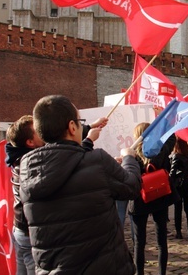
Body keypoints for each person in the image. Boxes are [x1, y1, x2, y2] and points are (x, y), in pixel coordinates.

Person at [19, 95, 141, 274]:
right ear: (71, 126)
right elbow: (132, 186)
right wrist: (129, 157)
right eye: (79, 121)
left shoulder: (28, 168)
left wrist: (89, 135)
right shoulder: (97, 161)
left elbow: (65, 159)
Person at [129, 122, 177, 275]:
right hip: (159, 196)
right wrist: (162, 122)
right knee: (161, 241)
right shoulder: (161, 149)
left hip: (139, 199)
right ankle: (162, 272)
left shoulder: (131, 154)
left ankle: (140, 273)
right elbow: (172, 137)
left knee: (139, 242)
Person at [5, 115, 45, 275]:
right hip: (29, 234)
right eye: (38, 130)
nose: (43, 131)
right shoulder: (30, 163)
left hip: (21, 230)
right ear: (30, 142)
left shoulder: (18, 158)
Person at [169, 136, 188, 239]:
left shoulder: (177, 155)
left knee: (178, 209)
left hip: (179, 184)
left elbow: (172, 173)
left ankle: (179, 232)